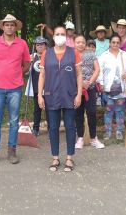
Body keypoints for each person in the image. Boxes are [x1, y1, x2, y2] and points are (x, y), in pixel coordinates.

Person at [0, 14, 30, 166]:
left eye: (12, 25)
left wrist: (16, 74)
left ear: (15, 27)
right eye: (7, 25)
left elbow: (27, 64)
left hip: (15, 88)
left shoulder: (22, 43)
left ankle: (11, 150)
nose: (9, 27)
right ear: (2, 27)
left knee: (14, 121)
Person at [38, 26, 82, 172]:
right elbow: (42, 75)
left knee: (70, 126)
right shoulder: (46, 53)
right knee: (53, 128)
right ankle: (55, 157)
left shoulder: (73, 52)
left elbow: (79, 75)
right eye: (57, 34)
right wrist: (39, 95)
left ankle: (70, 158)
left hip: (70, 94)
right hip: (51, 95)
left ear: (67, 36)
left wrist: (79, 94)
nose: (60, 36)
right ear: (53, 36)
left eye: (62, 34)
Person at [98, 35, 126, 141]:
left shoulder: (125, 55)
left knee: (120, 111)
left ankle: (119, 131)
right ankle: (108, 131)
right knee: (108, 111)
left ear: (120, 44)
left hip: (121, 90)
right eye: (113, 42)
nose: (115, 44)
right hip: (108, 89)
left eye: (117, 42)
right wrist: (100, 82)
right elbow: (99, 70)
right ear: (110, 43)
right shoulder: (104, 56)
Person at [74, 35, 105, 149]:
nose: (80, 44)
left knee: (91, 112)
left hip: (90, 88)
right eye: (78, 42)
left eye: (82, 42)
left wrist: (89, 82)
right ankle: (80, 138)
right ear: (74, 43)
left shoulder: (91, 54)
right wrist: (81, 83)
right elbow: (68, 71)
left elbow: (97, 69)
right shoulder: (70, 55)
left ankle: (93, 138)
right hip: (76, 88)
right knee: (78, 113)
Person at [111, 19, 126, 107]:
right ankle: (117, 116)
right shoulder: (114, 39)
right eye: (119, 28)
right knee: (115, 96)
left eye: (123, 28)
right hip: (115, 72)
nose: (121, 30)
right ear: (117, 29)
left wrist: (117, 49)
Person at [26, 36, 48, 137]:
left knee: (49, 109)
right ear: (35, 46)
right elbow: (26, 72)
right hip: (35, 86)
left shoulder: (50, 55)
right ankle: (36, 128)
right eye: (37, 45)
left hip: (48, 86)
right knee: (37, 109)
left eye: (42, 45)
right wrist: (29, 64)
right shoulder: (31, 57)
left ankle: (51, 128)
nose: (39, 47)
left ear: (45, 46)